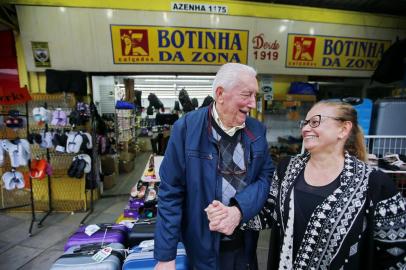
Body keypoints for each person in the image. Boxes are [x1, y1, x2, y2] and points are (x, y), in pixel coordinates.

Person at [234, 100, 406, 269]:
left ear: (343, 129)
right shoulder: (287, 167)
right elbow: (269, 211)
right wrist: (234, 214)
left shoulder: (375, 184)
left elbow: (395, 253)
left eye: (315, 122)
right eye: (305, 122)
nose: (306, 128)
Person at [154, 63, 274, 269]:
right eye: (247, 95)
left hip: (244, 244)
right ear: (220, 94)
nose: (253, 103)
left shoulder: (257, 130)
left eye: (255, 95)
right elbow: (170, 192)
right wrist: (166, 256)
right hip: (200, 247)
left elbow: (266, 178)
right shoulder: (186, 129)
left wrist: (238, 210)